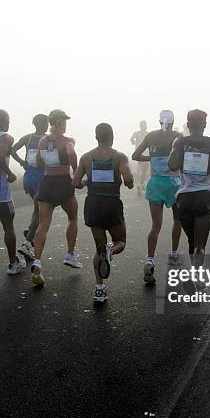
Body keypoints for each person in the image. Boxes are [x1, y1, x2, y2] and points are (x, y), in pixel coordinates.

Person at [73, 123, 134, 303]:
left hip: (93, 204)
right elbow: (129, 179)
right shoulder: (119, 157)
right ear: (112, 137)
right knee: (120, 241)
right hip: (112, 204)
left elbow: (75, 182)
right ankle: (110, 250)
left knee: (98, 249)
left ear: (96, 137)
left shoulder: (86, 157)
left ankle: (99, 289)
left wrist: (85, 183)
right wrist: (129, 184)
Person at [168, 110, 210, 269]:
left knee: (192, 241)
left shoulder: (179, 142)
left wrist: (185, 158)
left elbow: (172, 165)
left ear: (188, 125)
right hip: (204, 198)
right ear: (205, 125)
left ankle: (194, 274)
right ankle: (196, 276)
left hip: (184, 199)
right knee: (200, 245)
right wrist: (208, 163)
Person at [31, 109, 82, 286]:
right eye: (65, 121)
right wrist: (76, 173)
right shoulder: (67, 141)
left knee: (43, 224)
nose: (66, 124)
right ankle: (69, 254)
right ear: (60, 122)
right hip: (63, 183)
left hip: (46, 182)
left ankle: (37, 261)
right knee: (73, 217)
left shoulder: (43, 141)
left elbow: (38, 162)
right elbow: (73, 155)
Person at [132, 110, 182, 285]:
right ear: (173, 121)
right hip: (175, 183)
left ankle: (150, 260)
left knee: (155, 226)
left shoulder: (150, 136)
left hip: (155, 184)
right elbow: (182, 158)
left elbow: (135, 156)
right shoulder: (178, 136)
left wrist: (152, 157)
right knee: (178, 220)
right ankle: (174, 254)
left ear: (159, 121)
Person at [11, 114, 49, 260]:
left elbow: (13, 149)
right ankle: (27, 244)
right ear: (44, 124)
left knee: (37, 209)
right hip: (41, 178)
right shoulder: (47, 139)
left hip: (29, 178)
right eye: (46, 123)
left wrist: (22, 162)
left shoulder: (28, 138)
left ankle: (30, 231)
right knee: (41, 212)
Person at [0, 110, 26, 275]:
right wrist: (9, 173)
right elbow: (0, 155)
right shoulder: (6, 137)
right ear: (5, 121)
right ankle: (13, 264)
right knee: (8, 227)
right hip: (2, 195)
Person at [130, 120, 149, 196]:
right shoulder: (147, 134)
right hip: (144, 154)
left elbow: (131, 139)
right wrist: (133, 142)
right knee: (143, 170)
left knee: (143, 171)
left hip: (140, 154)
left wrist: (133, 142)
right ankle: (140, 185)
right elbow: (131, 139)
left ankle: (141, 184)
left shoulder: (138, 133)